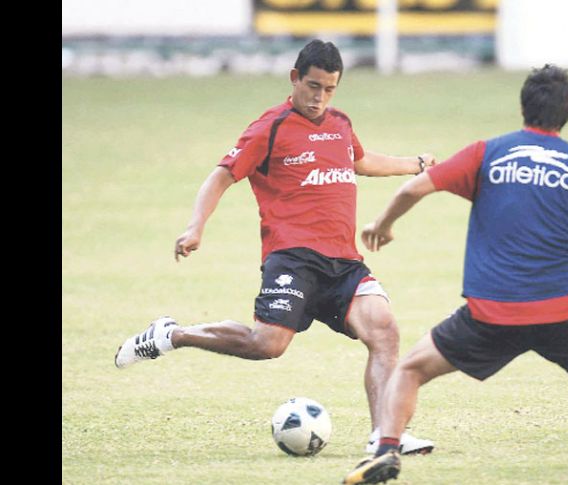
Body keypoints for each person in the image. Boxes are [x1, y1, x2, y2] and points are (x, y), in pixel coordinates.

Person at [342, 64, 568, 484]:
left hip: (490, 315)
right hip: (567, 312)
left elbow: (414, 187)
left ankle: (386, 451)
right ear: (567, 114)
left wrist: (383, 224)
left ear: (523, 108)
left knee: (409, 370)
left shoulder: (487, 153)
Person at [114, 39, 435, 455]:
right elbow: (221, 175)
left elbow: (359, 160)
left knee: (385, 330)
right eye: (313, 86)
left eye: (329, 89)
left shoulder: (339, 123)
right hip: (293, 258)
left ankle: (385, 437)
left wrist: (415, 164)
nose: (319, 98)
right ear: (295, 78)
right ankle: (173, 335)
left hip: (343, 262)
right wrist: (196, 227)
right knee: (266, 345)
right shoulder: (271, 127)